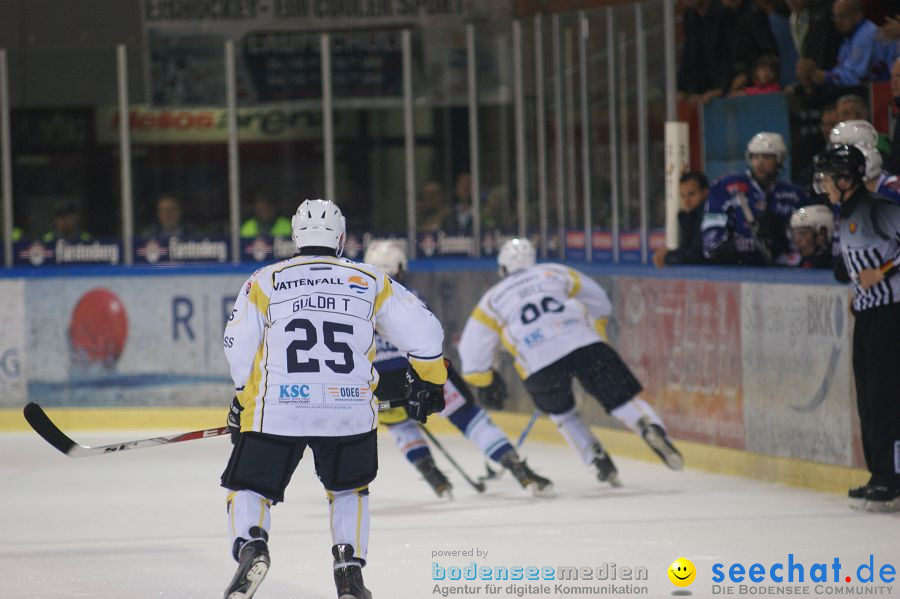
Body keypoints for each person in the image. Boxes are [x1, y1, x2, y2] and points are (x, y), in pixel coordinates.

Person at [221, 199, 449, 598]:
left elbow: (238, 347)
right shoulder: (370, 279)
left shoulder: (264, 279)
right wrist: (430, 380)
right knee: (348, 489)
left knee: (250, 487)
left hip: (279, 409)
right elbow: (426, 335)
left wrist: (244, 397)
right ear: (341, 238)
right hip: (349, 408)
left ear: (294, 237)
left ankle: (252, 543)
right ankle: (348, 573)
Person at [457, 238, 683, 489]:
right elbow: (599, 300)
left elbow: (472, 347)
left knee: (562, 413)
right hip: (583, 343)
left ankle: (595, 458)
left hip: (538, 361)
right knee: (621, 399)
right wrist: (595, 330)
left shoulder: (493, 299)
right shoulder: (554, 271)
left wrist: (482, 378)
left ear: (502, 269)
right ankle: (647, 426)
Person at [364, 240, 553, 498]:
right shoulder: (407, 295)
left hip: (378, 383)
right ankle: (517, 468)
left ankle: (433, 475)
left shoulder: (354, 300)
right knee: (468, 417)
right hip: (419, 373)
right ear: (400, 268)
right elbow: (428, 337)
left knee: (401, 426)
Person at [814, 144, 900, 512]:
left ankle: (892, 478)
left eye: (828, 179)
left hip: (891, 313)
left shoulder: (876, 208)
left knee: (885, 398)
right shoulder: (845, 213)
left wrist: (881, 273)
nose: (823, 186)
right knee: (867, 398)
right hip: (867, 314)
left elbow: (882, 262)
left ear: (846, 179)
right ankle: (879, 473)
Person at [702, 132, 809, 265]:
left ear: (780, 159)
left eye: (767, 157)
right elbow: (712, 224)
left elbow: (805, 243)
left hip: (782, 267)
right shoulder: (726, 186)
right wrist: (717, 249)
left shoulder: (795, 194)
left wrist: (781, 238)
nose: (760, 162)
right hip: (735, 264)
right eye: (755, 156)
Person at [795, 0, 891, 87]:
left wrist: (821, 76)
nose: (838, 22)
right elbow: (842, 68)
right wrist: (816, 75)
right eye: (835, 17)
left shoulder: (867, 34)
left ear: (858, 15)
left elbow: (856, 76)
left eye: (843, 15)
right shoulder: (849, 37)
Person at [653, 171, 709, 267]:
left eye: (691, 194)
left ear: (705, 192)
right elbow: (687, 249)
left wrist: (668, 256)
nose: (686, 200)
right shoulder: (687, 216)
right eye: (683, 195)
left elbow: (698, 255)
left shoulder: (711, 215)